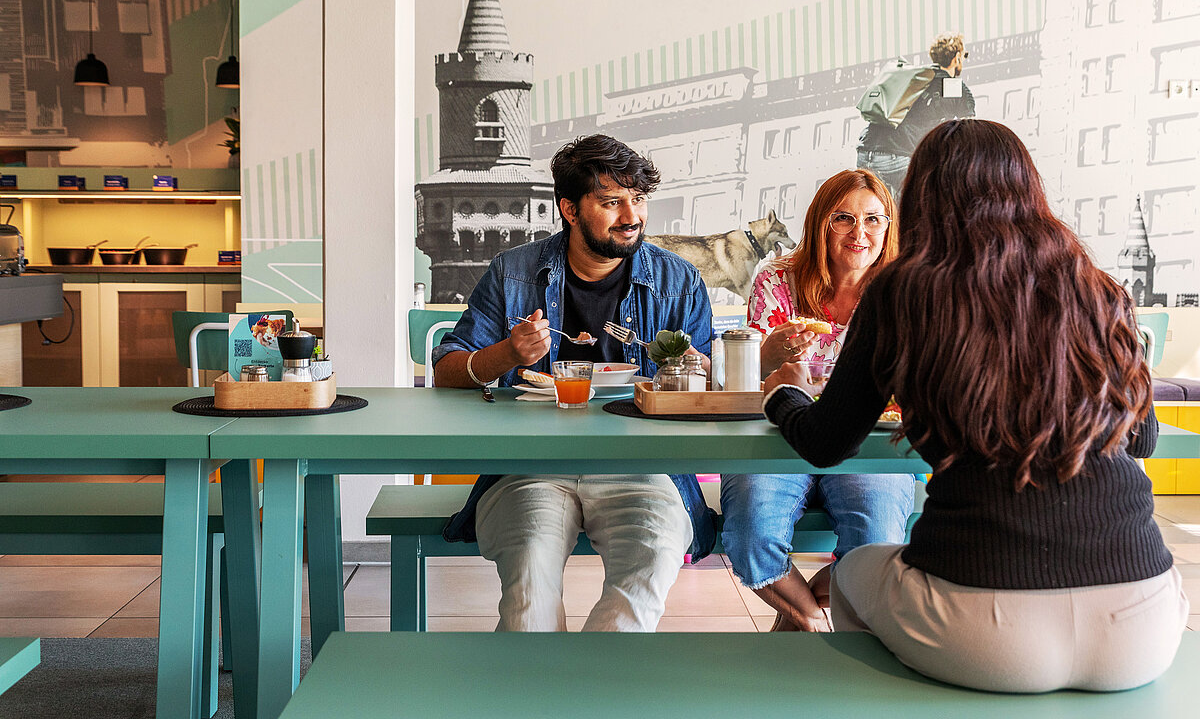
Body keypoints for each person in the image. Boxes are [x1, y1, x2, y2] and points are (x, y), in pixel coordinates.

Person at [764, 119, 1188, 692]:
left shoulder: (900, 292)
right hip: (1143, 625)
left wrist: (780, 393)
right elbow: (1142, 440)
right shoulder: (1099, 289)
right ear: (1028, 188)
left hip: (986, 628)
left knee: (855, 571)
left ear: (920, 199)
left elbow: (826, 442)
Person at [432, 133, 718, 632]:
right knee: (529, 591)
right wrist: (507, 353)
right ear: (569, 208)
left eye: (639, 199)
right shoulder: (513, 271)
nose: (632, 215)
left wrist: (697, 370)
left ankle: (590, 698)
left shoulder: (679, 281)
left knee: (647, 572)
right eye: (612, 202)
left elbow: (704, 390)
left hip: (642, 468)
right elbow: (446, 370)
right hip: (531, 466)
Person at [721, 169, 916, 632]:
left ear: (889, 226)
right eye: (843, 219)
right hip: (778, 438)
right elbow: (752, 377)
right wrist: (771, 353)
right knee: (750, 534)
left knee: (877, 540)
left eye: (873, 219)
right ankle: (810, 619)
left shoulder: (903, 289)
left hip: (868, 440)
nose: (860, 232)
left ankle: (794, 625)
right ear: (819, 225)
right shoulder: (777, 278)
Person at [856, 32, 975, 200]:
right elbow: (970, 130)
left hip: (865, 154)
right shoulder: (950, 84)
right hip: (896, 159)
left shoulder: (915, 78)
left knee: (882, 218)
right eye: (964, 56)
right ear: (957, 57)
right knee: (918, 212)